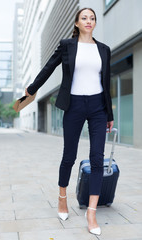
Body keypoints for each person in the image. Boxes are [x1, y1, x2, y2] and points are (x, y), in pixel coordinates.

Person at [25, 7, 114, 236]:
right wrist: (32, 89)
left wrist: (109, 115)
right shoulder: (67, 45)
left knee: (97, 159)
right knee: (69, 156)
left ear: (95, 23)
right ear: (76, 23)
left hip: (98, 107)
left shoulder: (103, 50)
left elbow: (105, 81)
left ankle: (91, 212)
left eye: (92, 18)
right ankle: (62, 198)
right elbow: (48, 67)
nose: (89, 21)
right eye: (84, 18)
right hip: (73, 105)